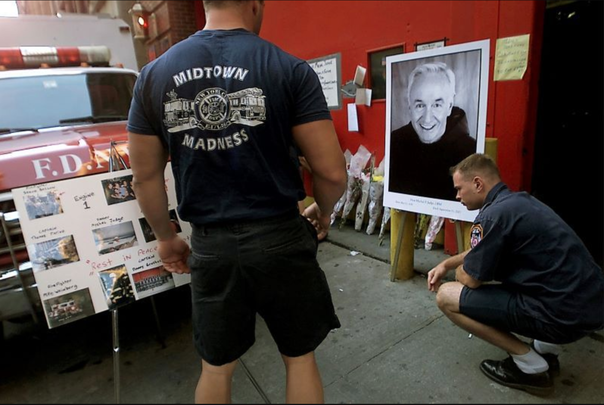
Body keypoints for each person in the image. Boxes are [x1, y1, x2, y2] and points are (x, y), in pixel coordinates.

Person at [126, 1, 347, 403]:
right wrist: (324, 211)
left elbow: (144, 177)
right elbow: (332, 173)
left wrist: (165, 237)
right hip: (281, 236)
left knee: (216, 367)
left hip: (211, 246)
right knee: (299, 358)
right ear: (255, 4)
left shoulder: (153, 77)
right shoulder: (290, 69)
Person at [427, 153, 604, 396]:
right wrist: (447, 263)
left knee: (446, 296)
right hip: (588, 308)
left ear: (478, 184)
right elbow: (481, 249)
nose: (457, 196)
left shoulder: (490, 217)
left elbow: (470, 278)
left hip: (562, 317)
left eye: (459, 189)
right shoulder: (520, 203)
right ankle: (545, 350)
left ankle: (530, 367)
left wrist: (457, 271)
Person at [389, 62, 476, 200]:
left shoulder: (471, 152)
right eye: (420, 105)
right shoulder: (394, 143)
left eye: (436, 105)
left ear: (449, 106)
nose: (427, 118)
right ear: (410, 106)